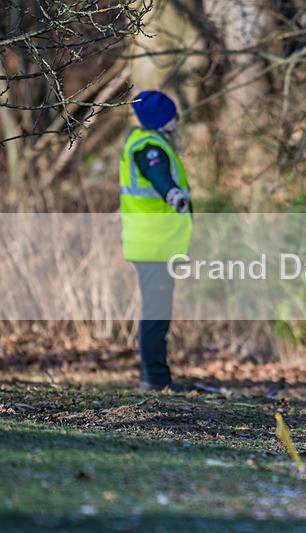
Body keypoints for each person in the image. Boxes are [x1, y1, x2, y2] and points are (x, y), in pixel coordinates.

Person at [119, 90, 192, 392]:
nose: (177, 119)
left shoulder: (145, 142)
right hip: (154, 244)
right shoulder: (150, 147)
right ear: (164, 119)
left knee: (158, 311)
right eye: (173, 115)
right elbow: (157, 174)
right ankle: (155, 380)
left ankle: (156, 377)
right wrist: (173, 194)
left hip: (154, 242)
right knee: (156, 313)